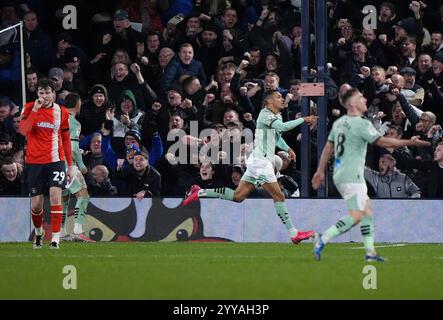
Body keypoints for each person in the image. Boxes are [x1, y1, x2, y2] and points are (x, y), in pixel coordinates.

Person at [183, 89, 319, 244]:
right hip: (261, 162)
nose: (282, 99)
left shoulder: (277, 116)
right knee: (279, 196)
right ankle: (294, 234)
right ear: (268, 102)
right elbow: (282, 127)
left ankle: (199, 192)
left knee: (238, 197)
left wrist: (287, 148)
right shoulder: (265, 114)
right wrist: (304, 119)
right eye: (278, 96)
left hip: (258, 161)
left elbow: (277, 136)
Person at [311, 88, 431, 262]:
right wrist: (409, 141)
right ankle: (323, 238)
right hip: (351, 174)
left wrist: (320, 170)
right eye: (360, 98)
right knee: (357, 215)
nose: (365, 100)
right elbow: (382, 141)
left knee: (366, 211)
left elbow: (328, 148)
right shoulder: (360, 123)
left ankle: (370, 252)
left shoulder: (340, 123)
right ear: (352, 104)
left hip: (343, 173)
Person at [19, 78, 75, 249]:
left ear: (53, 93)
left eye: (47, 92)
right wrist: (35, 110)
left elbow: (65, 138)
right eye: (41, 93)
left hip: (55, 161)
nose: (44, 96)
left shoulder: (62, 112)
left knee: (55, 197)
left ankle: (55, 239)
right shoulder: (29, 108)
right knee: (36, 205)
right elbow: (23, 131)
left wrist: (70, 164)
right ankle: (38, 233)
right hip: (35, 162)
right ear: (37, 94)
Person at [60, 93, 94, 242]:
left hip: (56, 163)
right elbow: (73, 146)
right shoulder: (73, 123)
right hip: (69, 165)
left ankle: (61, 232)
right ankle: (78, 230)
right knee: (83, 196)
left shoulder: (58, 119)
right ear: (78, 104)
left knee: (64, 198)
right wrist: (81, 164)